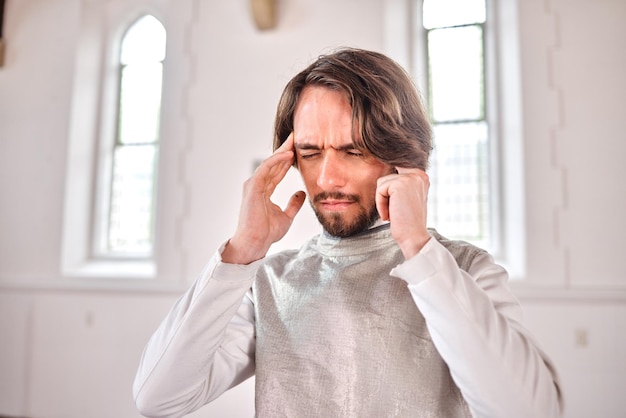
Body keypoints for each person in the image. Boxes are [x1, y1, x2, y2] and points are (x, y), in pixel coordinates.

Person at [133, 47, 562, 418]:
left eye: (353, 150)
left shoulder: (464, 270)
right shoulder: (270, 281)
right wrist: (242, 250)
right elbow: (159, 397)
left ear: (402, 155)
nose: (327, 177)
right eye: (310, 152)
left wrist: (417, 248)